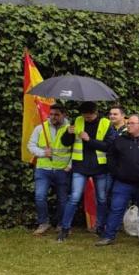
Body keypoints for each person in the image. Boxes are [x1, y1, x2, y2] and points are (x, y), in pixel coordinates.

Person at [96, 114, 139, 246]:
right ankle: (108, 236)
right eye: (128, 123)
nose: (128, 125)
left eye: (132, 123)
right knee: (116, 209)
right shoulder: (120, 140)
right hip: (123, 182)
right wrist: (116, 172)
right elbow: (111, 155)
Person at [58, 101, 115, 241]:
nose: (87, 119)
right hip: (80, 166)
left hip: (100, 167)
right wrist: (68, 133)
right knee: (74, 198)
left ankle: (100, 227)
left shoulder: (106, 123)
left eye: (89, 116)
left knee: (101, 199)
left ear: (96, 113)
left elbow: (109, 146)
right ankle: (64, 228)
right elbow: (66, 142)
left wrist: (89, 140)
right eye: (85, 116)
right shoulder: (77, 120)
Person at [28, 103, 72, 235]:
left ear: (64, 115)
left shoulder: (70, 129)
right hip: (43, 169)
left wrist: (70, 165)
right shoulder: (40, 128)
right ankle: (43, 223)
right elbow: (30, 145)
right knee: (40, 196)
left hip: (62, 169)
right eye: (51, 114)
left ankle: (61, 225)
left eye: (56, 114)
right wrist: (42, 153)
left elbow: (76, 149)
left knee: (63, 199)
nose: (53, 117)